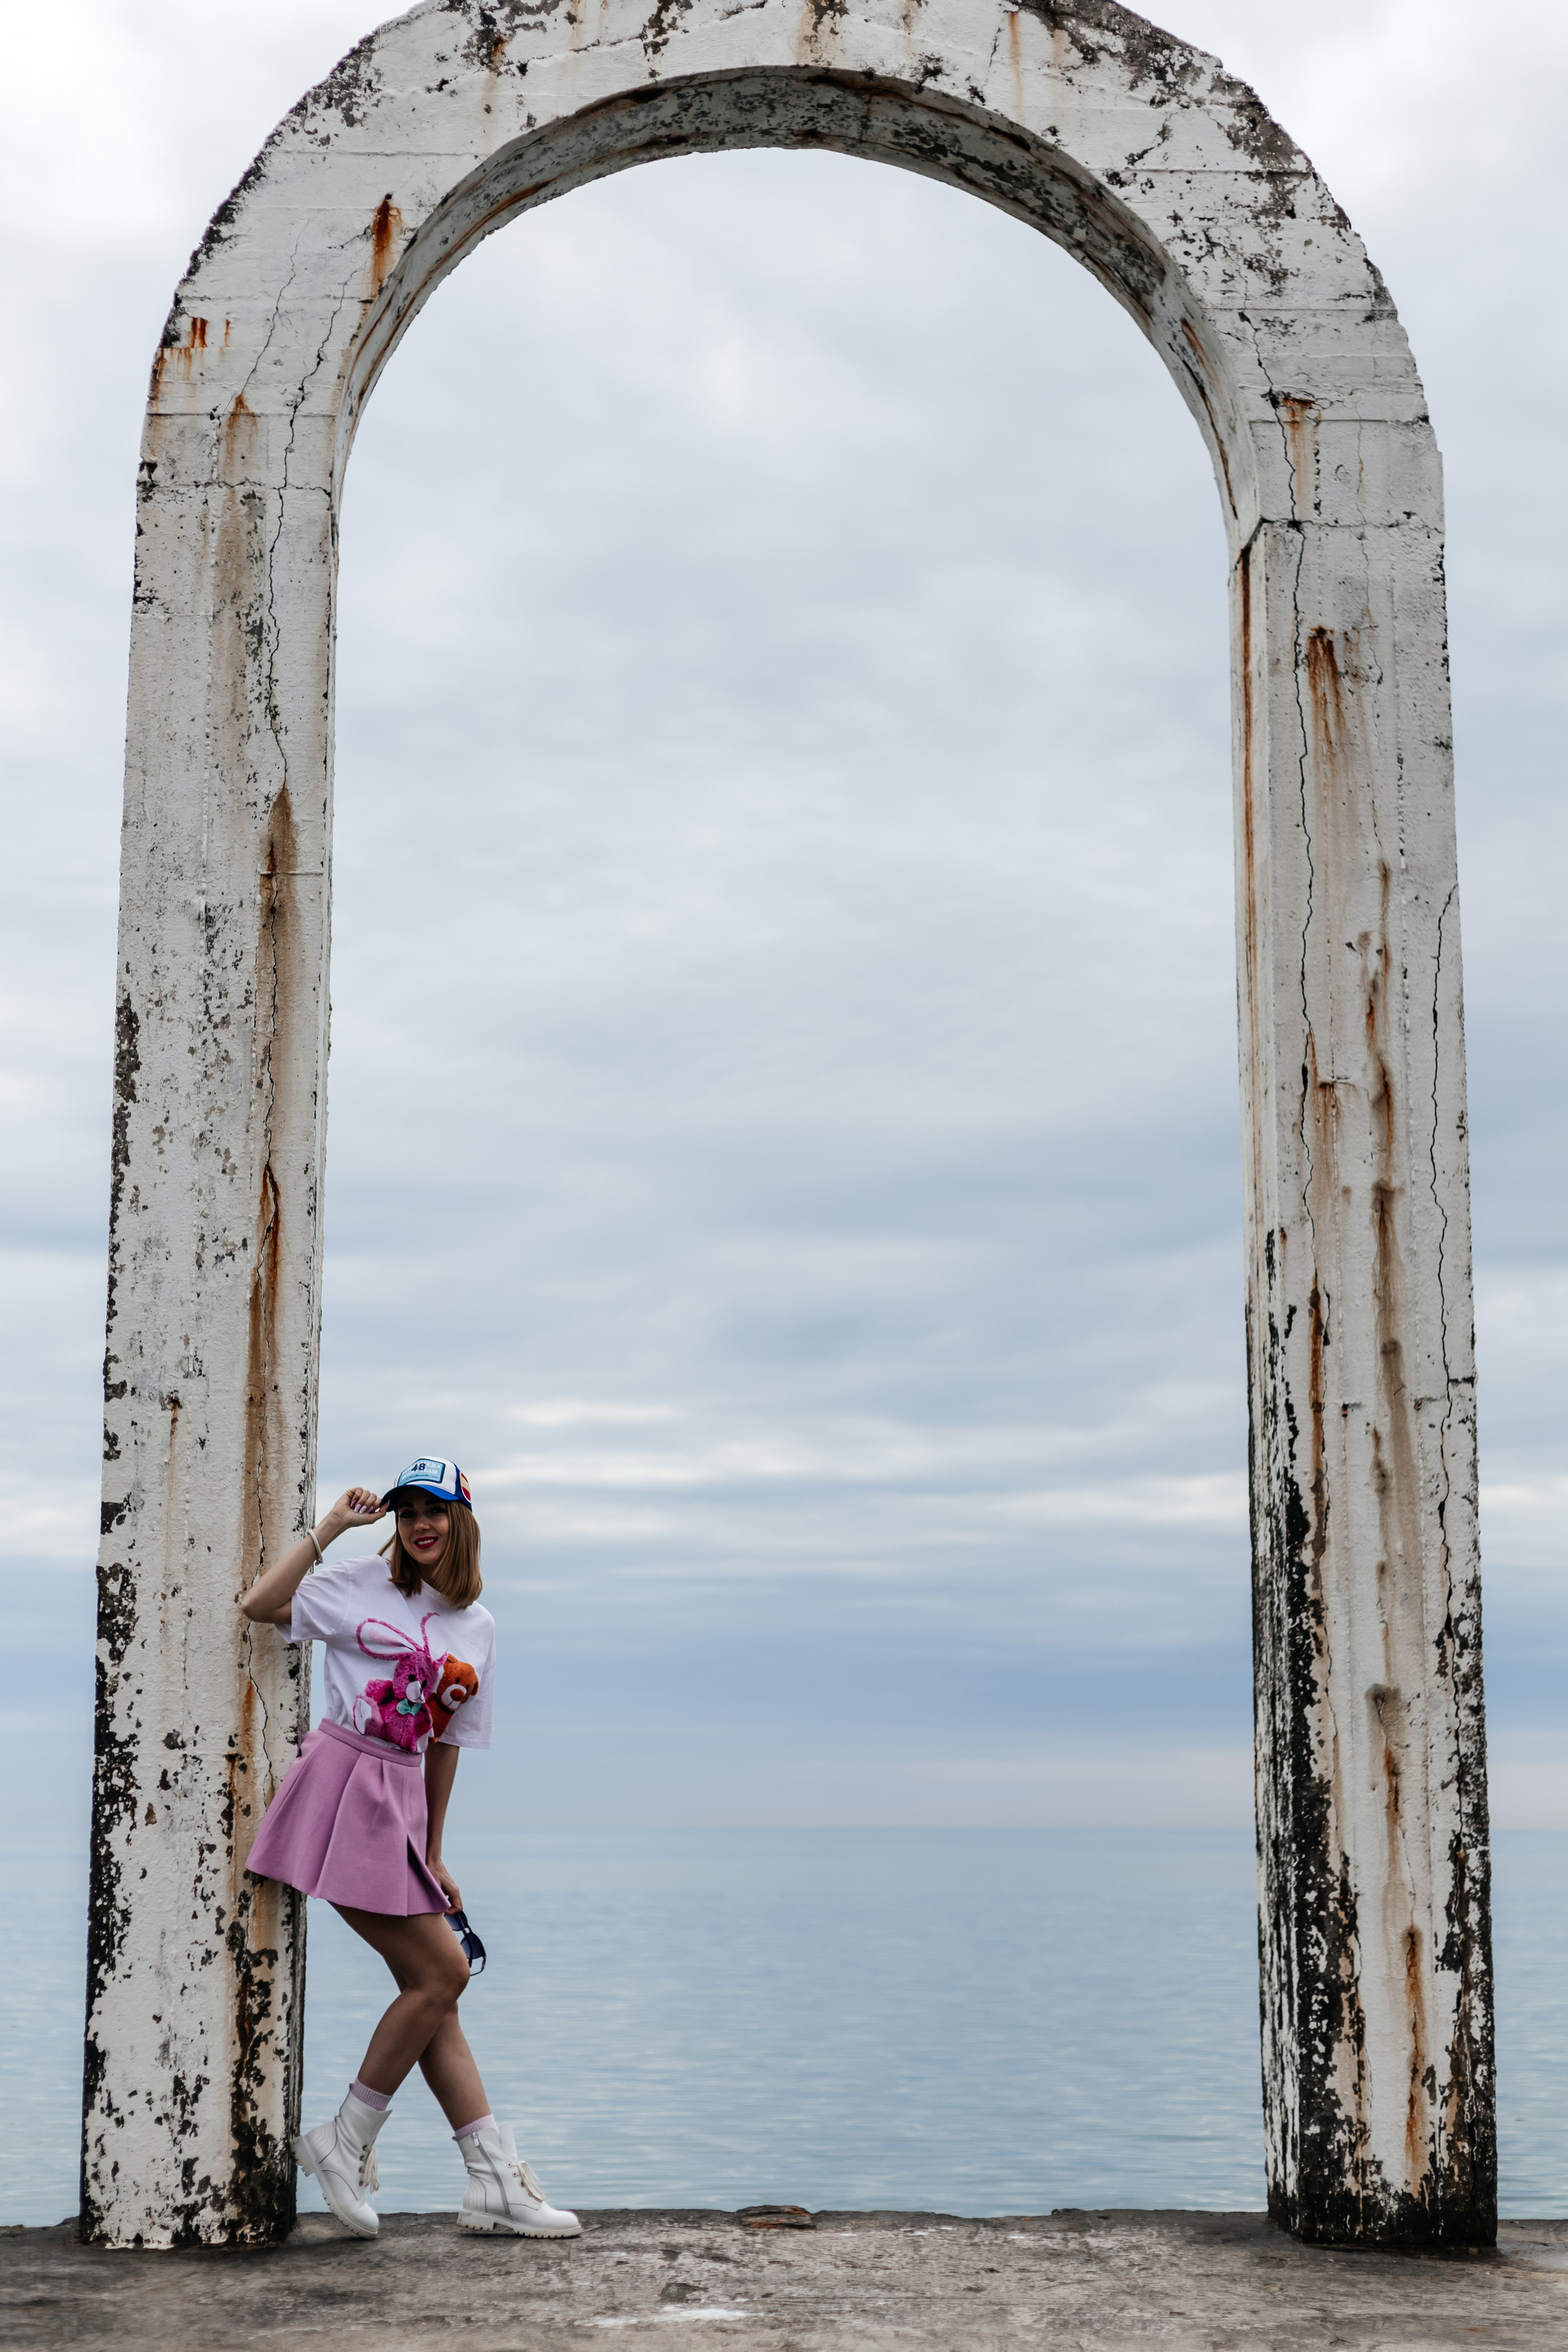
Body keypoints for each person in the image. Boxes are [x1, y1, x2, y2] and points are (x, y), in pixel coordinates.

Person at [241, 1453, 579, 2241]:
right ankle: (344, 2139)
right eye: (406, 1512)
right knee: (443, 1971)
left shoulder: (479, 1629)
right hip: (341, 1785)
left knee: (437, 1997)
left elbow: (446, 1743)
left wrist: (433, 1848)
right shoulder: (358, 1582)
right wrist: (330, 1528)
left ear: (462, 1522)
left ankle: (493, 2184)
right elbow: (259, 1604)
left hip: (400, 1800)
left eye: (434, 1511)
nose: (419, 1525)